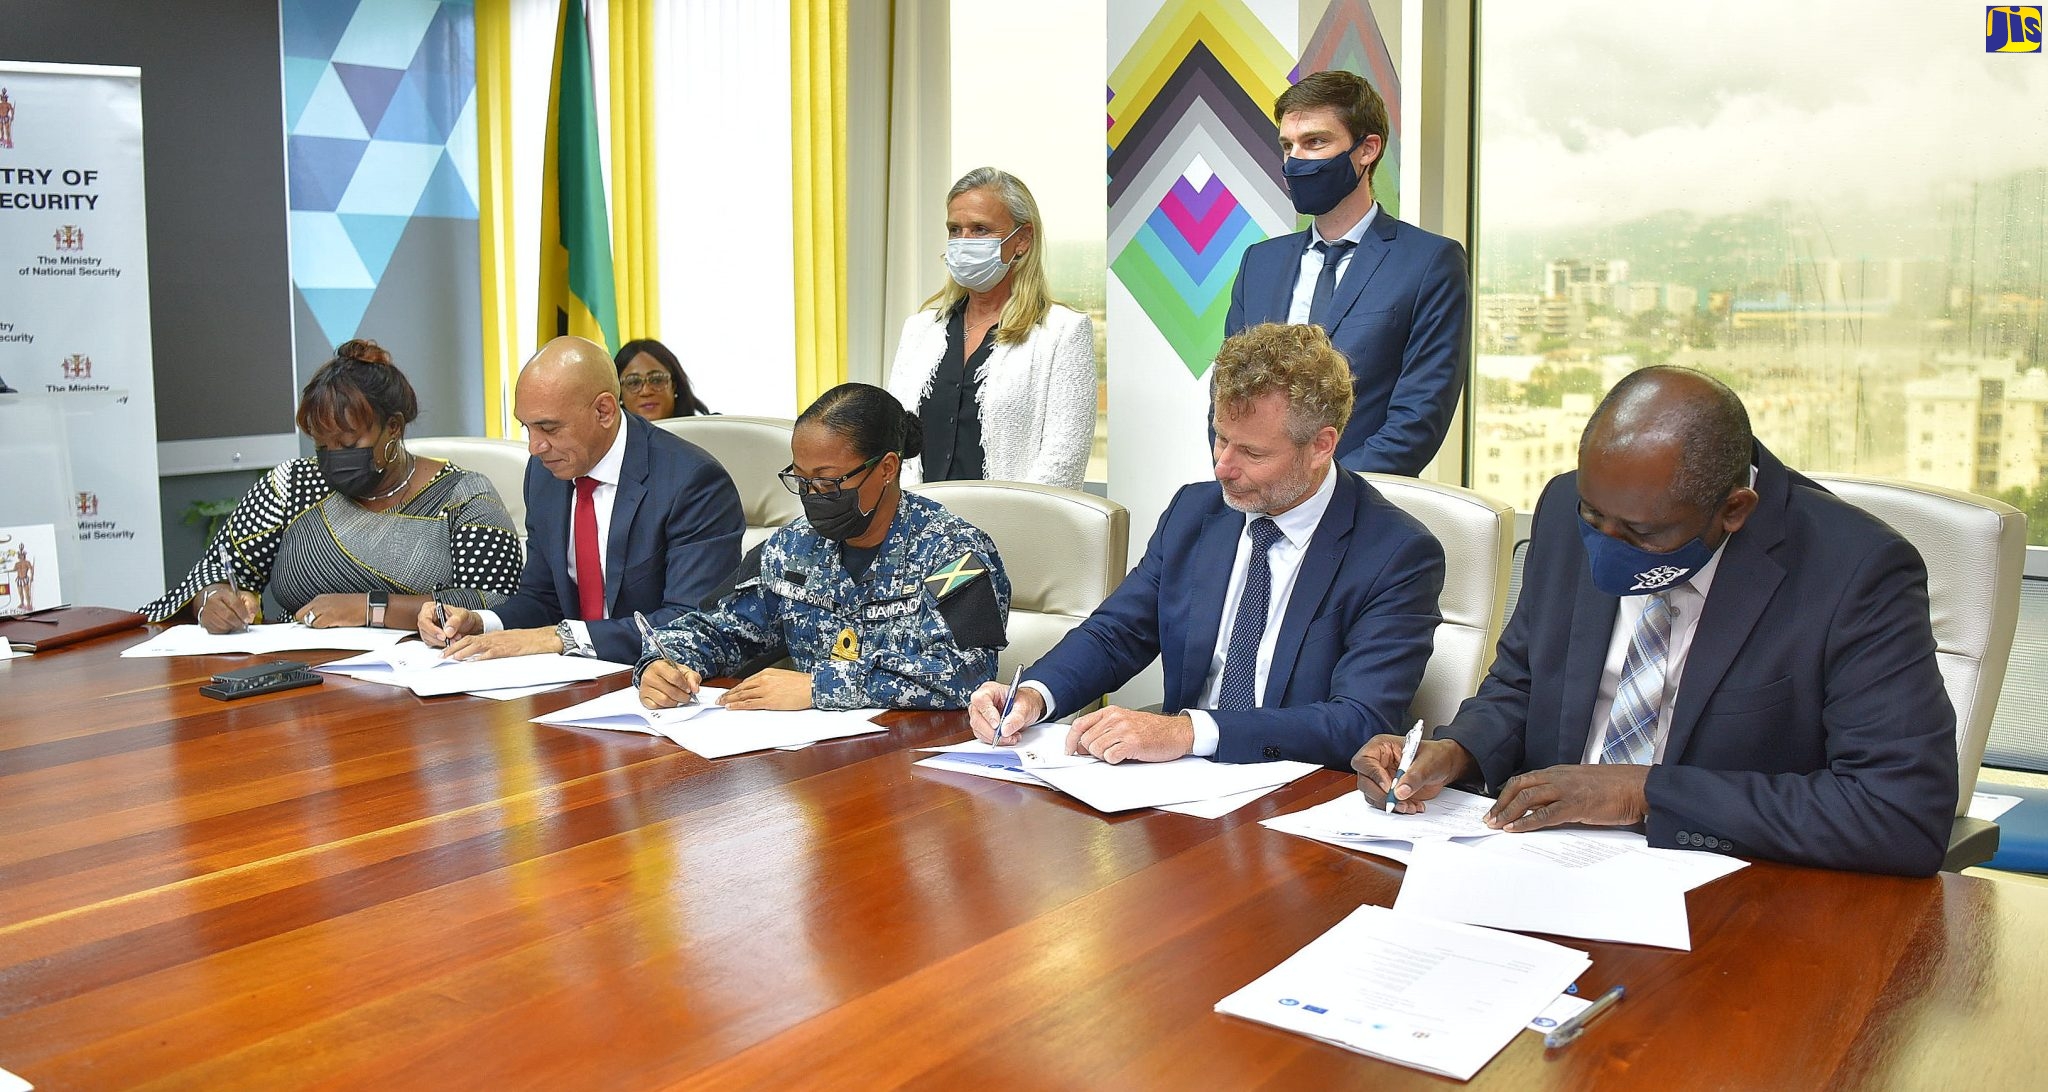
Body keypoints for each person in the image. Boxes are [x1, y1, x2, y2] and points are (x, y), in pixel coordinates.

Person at [1356, 367, 1959, 876]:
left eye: (1641, 533)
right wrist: (1457, 751)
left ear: (1733, 510)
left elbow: (1899, 812)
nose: (1605, 542)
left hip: (1733, 890)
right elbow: (1523, 684)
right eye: (1595, 518)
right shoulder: (1567, 508)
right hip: (1538, 864)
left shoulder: (1855, 571)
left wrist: (1642, 792)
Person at [968, 323, 1444, 770]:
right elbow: (1117, 634)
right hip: (1178, 787)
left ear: (1321, 446)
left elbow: (1359, 720)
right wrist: (1034, 695)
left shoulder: (1396, 554)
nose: (1223, 467)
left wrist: (1190, 732)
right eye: (1221, 438)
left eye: (1252, 452)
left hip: (1297, 794)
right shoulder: (1196, 512)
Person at [637, 383, 1010, 711]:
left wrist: (820, 687)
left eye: (828, 482)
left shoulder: (952, 553)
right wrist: (664, 663)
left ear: (886, 468)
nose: (812, 495)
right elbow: (721, 630)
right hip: (810, 753)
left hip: (918, 753)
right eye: (801, 480)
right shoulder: (792, 547)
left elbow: (969, 674)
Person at [142, 340, 522, 632]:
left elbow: (497, 603)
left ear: (393, 427)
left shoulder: (464, 496)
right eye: (322, 446)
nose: (333, 457)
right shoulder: (292, 485)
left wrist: (370, 608)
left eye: (347, 443)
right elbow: (215, 571)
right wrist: (214, 599)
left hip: (426, 684)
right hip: (301, 680)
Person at [419, 336, 745, 664]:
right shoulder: (544, 473)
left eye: (549, 428)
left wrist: (560, 638)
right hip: (572, 676)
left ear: (604, 411)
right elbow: (543, 598)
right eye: (527, 428)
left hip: (658, 678)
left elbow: (690, 624)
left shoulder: (692, 481)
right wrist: (481, 623)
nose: (534, 447)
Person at [1224, 70, 1469, 477]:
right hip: (1257, 498)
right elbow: (1228, 395)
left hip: (1361, 500)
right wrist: (1250, 476)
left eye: (1315, 142)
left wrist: (1318, 493)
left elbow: (1417, 420)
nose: (1295, 160)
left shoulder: (1429, 262)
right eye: (1287, 145)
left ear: (1367, 149)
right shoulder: (1259, 263)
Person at [885, 167, 1095, 490]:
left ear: (1022, 240)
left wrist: (1006, 518)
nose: (963, 242)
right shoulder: (919, 330)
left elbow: (1064, 462)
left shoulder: (1062, 333)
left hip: (1012, 520)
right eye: (955, 229)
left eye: (980, 229)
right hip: (920, 517)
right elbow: (892, 440)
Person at [614, 338, 710, 420]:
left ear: (674, 386)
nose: (646, 392)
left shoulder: (708, 432)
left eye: (656, 380)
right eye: (634, 383)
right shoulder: (610, 437)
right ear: (619, 393)